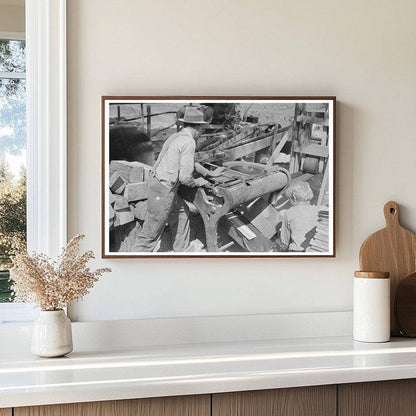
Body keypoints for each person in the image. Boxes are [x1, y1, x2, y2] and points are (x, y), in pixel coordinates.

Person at [131, 106, 224, 252]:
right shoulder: (189, 142)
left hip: (160, 186)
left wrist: (207, 173)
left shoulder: (176, 136)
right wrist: (203, 183)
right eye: (203, 129)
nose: (202, 132)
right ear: (199, 127)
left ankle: (181, 251)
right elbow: (185, 177)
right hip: (163, 192)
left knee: (182, 213)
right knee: (150, 236)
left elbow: (188, 162)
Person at [279, 181, 319, 252]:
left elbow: (284, 243)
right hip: (315, 250)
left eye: (289, 199)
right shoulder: (318, 210)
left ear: (294, 196)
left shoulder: (289, 212)